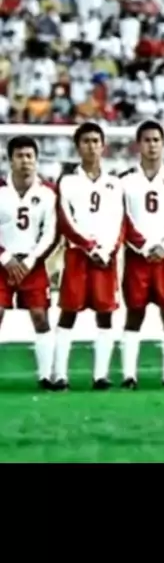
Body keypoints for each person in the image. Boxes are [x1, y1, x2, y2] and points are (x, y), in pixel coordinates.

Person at [54, 122, 125, 390]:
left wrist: (108, 250)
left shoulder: (114, 183)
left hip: (105, 258)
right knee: (68, 312)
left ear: (103, 146)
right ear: (77, 147)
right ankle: (59, 375)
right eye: (86, 142)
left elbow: (120, 221)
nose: (91, 146)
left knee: (105, 314)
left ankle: (100, 376)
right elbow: (65, 220)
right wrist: (89, 247)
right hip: (78, 256)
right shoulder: (68, 182)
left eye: (96, 141)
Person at [121, 120, 164, 388]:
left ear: (163, 144)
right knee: (134, 314)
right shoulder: (125, 182)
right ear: (138, 145)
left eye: (156, 140)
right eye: (147, 140)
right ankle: (129, 375)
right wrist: (144, 245)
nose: (152, 145)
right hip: (138, 258)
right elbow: (122, 219)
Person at [0, 136, 58, 388]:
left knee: (40, 316)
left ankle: (45, 376)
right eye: (19, 156)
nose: (25, 161)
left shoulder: (47, 193)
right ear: (10, 160)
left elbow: (51, 233)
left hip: (32, 265)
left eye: (29, 156)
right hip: (2, 264)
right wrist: (5, 258)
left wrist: (31, 259)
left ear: (36, 160)